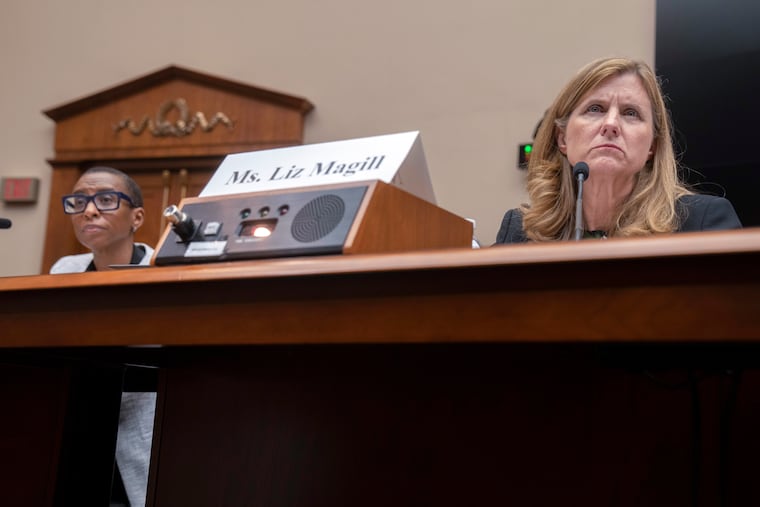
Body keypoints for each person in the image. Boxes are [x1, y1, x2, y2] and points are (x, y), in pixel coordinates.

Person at [495, 57, 742, 244]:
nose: (611, 124)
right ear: (562, 139)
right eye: (595, 109)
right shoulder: (520, 231)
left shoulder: (701, 223)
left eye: (630, 113)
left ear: (652, 147)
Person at [50, 166, 155, 507]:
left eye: (106, 200)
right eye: (79, 202)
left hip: (146, 422)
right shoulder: (64, 269)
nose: (89, 210)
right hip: (80, 417)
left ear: (136, 217)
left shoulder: (164, 268)